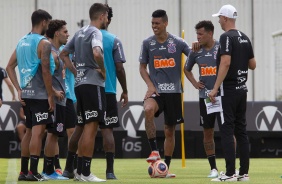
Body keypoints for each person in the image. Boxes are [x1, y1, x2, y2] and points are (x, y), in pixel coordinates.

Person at [60, 3, 108, 182]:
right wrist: (102, 70)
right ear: (102, 16)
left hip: (79, 85)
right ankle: (86, 173)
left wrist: (76, 72)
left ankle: (78, 172)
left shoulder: (80, 32)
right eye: (106, 17)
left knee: (81, 126)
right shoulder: (96, 32)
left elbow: (64, 54)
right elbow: (97, 53)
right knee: (91, 127)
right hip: (92, 85)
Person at [139, 9, 191, 178]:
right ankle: (154, 150)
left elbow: (193, 56)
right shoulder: (147, 43)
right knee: (147, 109)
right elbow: (142, 68)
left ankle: (164, 168)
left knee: (169, 131)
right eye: (152, 23)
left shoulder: (178, 42)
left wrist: (198, 48)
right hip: (157, 92)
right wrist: (150, 85)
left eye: (157, 23)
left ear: (165, 23)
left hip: (174, 92)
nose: (154, 26)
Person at [209, 4, 256, 182]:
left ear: (226, 18)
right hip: (242, 89)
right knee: (241, 130)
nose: (219, 21)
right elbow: (253, 65)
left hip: (227, 90)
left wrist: (214, 88)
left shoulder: (225, 37)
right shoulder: (244, 37)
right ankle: (243, 173)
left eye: (220, 18)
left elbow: (226, 63)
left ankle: (229, 174)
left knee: (227, 131)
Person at [6, 9, 54, 181]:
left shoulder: (21, 41)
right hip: (40, 95)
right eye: (48, 23)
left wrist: (19, 89)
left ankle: (23, 172)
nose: (48, 26)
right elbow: (47, 71)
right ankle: (33, 172)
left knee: (28, 132)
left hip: (26, 94)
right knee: (38, 133)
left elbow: (9, 66)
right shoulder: (44, 43)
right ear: (43, 22)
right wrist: (50, 95)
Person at [184, 20, 219, 178]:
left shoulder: (221, 48)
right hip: (205, 98)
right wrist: (194, 83)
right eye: (196, 34)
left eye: (200, 34)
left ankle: (232, 167)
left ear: (210, 33)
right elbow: (187, 69)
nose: (197, 37)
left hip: (222, 97)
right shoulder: (195, 51)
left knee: (228, 131)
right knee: (207, 132)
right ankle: (213, 168)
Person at [42, 19, 74, 180]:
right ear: (56, 33)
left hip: (62, 99)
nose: (68, 34)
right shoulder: (51, 51)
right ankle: (48, 171)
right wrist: (53, 92)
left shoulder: (59, 51)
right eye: (65, 32)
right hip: (55, 100)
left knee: (54, 134)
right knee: (52, 134)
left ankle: (48, 170)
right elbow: (44, 73)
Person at [100, 4, 128, 180]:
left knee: (82, 130)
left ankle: (74, 169)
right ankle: (109, 172)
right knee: (107, 130)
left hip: (85, 90)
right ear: (108, 19)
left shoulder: (82, 37)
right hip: (108, 91)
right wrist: (125, 90)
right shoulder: (114, 39)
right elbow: (119, 68)